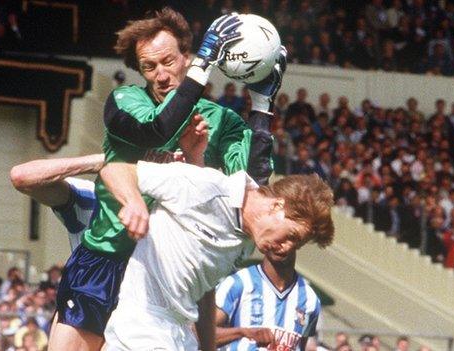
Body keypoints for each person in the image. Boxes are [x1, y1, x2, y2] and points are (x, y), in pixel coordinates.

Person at [20, 8, 284, 351]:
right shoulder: (126, 101)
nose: (161, 75)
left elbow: (252, 184)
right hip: (108, 260)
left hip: (165, 276)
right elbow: (155, 130)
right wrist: (202, 69)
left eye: (169, 61)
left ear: (185, 57)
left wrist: (262, 106)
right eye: (149, 67)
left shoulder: (223, 121)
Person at [99, 160, 334, 350]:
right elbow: (116, 170)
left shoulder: (246, 243)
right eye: (292, 235)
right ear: (277, 206)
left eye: (296, 244)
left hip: (180, 338)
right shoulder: (208, 187)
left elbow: (205, 290)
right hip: (141, 326)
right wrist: (134, 203)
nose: (287, 248)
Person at [214, 252, 321, 350]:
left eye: (289, 237)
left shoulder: (310, 299)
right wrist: (244, 332)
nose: (281, 244)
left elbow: (300, 347)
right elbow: (201, 335)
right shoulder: (238, 283)